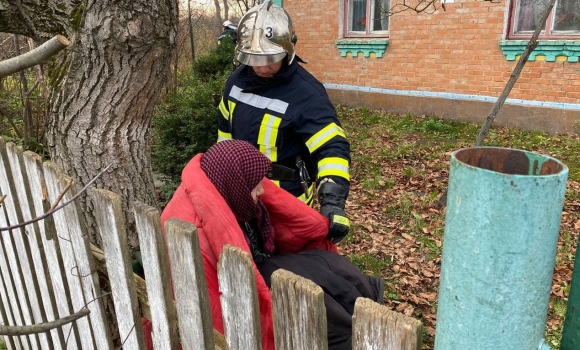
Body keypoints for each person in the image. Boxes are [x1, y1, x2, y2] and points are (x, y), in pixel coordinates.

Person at [159, 140, 384, 350]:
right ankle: (347, 334)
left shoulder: (229, 191)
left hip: (261, 265)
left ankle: (363, 305)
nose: (262, 191)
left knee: (327, 265)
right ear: (235, 185)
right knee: (319, 304)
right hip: (239, 290)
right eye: (255, 186)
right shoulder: (195, 231)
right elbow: (211, 309)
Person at [216, 0, 352, 244]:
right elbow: (224, 133)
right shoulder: (235, 82)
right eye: (255, 58)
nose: (263, 67)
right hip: (242, 192)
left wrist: (333, 202)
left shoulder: (307, 94)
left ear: (288, 50)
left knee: (289, 265)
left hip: (287, 197)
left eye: (271, 58)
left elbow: (332, 148)